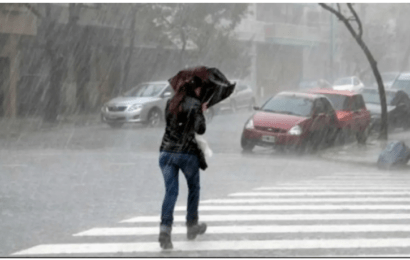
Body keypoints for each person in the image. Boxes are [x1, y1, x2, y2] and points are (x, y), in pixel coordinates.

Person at [158, 75, 208, 250]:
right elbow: (200, 129)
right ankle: (191, 226)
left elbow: (172, 125)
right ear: (195, 89)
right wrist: (201, 111)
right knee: (193, 188)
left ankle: (165, 231)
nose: (201, 91)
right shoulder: (195, 104)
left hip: (166, 153)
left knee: (171, 192)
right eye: (200, 88)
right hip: (186, 153)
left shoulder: (170, 103)